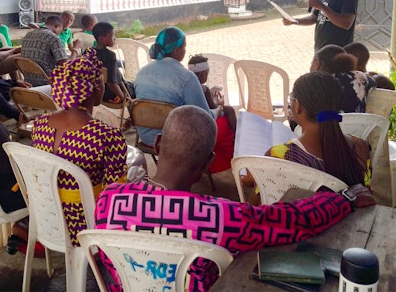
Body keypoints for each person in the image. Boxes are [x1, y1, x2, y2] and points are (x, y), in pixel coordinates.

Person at [95, 105, 374, 292]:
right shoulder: (224, 218)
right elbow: (295, 220)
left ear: (157, 145)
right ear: (208, 163)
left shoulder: (108, 201)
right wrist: (346, 198)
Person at [32, 51, 127, 246]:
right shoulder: (107, 135)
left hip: (47, 218)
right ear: (97, 89)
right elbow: (114, 195)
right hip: (85, 227)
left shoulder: (39, 125)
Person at [269, 72, 371, 187]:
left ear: (297, 106)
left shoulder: (280, 155)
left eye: (291, 98)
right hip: (349, 205)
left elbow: (261, 200)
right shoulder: (361, 146)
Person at [133, 26, 210, 146]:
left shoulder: (142, 72)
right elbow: (205, 118)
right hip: (175, 141)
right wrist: (219, 109)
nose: (185, 50)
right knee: (222, 120)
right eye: (184, 47)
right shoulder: (186, 77)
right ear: (176, 51)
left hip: (147, 138)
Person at [187, 54, 236, 174]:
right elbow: (214, 108)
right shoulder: (204, 89)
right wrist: (220, 103)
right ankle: (236, 139)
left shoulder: (186, 86)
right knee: (229, 110)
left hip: (191, 123)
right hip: (206, 125)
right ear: (204, 74)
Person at [313, 44, 374, 113]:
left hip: (328, 122)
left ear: (316, 63)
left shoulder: (314, 84)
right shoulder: (366, 80)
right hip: (359, 122)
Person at [20, 14, 69, 86]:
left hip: (28, 81)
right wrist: (75, 51)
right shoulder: (54, 38)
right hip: (46, 82)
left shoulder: (28, 34)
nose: (59, 34)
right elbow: (65, 65)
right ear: (56, 26)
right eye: (60, 31)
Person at [92, 22, 127, 104]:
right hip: (112, 94)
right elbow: (111, 82)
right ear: (101, 39)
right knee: (132, 89)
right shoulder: (110, 55)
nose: (115, 38)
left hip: (96, 93)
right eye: (112, 35)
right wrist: (122, 96)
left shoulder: (88, 51)